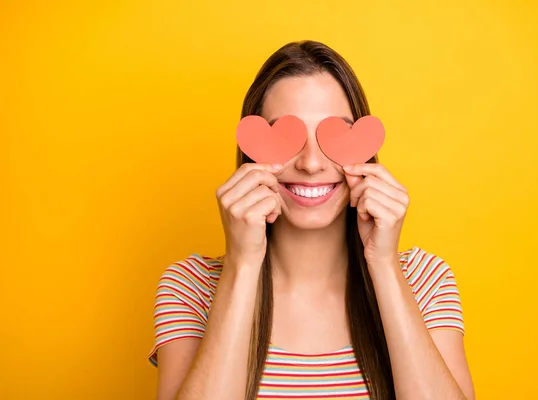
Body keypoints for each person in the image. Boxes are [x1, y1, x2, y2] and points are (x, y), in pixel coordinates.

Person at [148, 40, 475, 400]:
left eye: (333, 135)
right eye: (286, 136)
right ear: (250, 152)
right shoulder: (189, 287)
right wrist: (242, 264)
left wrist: (383, 264)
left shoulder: (426, 282)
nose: (311, 164)